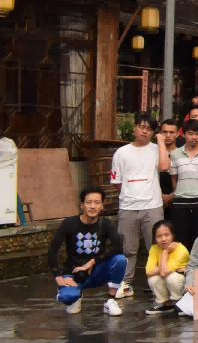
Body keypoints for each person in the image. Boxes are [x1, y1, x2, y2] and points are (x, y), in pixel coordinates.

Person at [111, 114, 170, 298]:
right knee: (128, 248)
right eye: (141, 127)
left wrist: (161, 142)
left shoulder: (157, 150)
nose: (144, 131)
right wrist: (130, 194)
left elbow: (164, 167)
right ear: (135, 128)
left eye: (149, 129)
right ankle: (125, 283)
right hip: (128, 206)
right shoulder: (121, 153)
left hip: (152, 205)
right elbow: (117, 183)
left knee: (156, 246)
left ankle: (157, 283)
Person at [49, 187, 126, 316]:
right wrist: (58, 277)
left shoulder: (106, 224)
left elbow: (118, 247)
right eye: (88, 202)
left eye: (97, 202)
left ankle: (110, 300)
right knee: (67, 298)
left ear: (102, 205)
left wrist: (92, 262)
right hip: (74, 273)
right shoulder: (69, 223)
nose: (93, 206)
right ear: (82, 205)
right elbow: (52, 250)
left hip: (96, 271)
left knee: (120, 260)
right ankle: (74, 294)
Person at [169, 119, 198, 249]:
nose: (194, 137)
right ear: (183, 134)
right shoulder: (175, 154)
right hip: (180, 202)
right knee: (181, 238)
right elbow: (174, 178)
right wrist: (180, 191)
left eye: (197, 134)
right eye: (190, 133)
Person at [143, 220, 189, 315]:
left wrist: (164, 252)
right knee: (153, 279)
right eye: (159, 236)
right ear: (155, 238)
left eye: (167, 235)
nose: (163, 239)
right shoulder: (154, 248)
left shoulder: (181, 249)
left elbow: (164, 273)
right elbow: (149, 272)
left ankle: (179, 302)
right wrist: (166, 253)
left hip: (183, 284)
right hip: (166, 278)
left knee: (172, 277)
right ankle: (165, 304)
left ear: (173, 235)